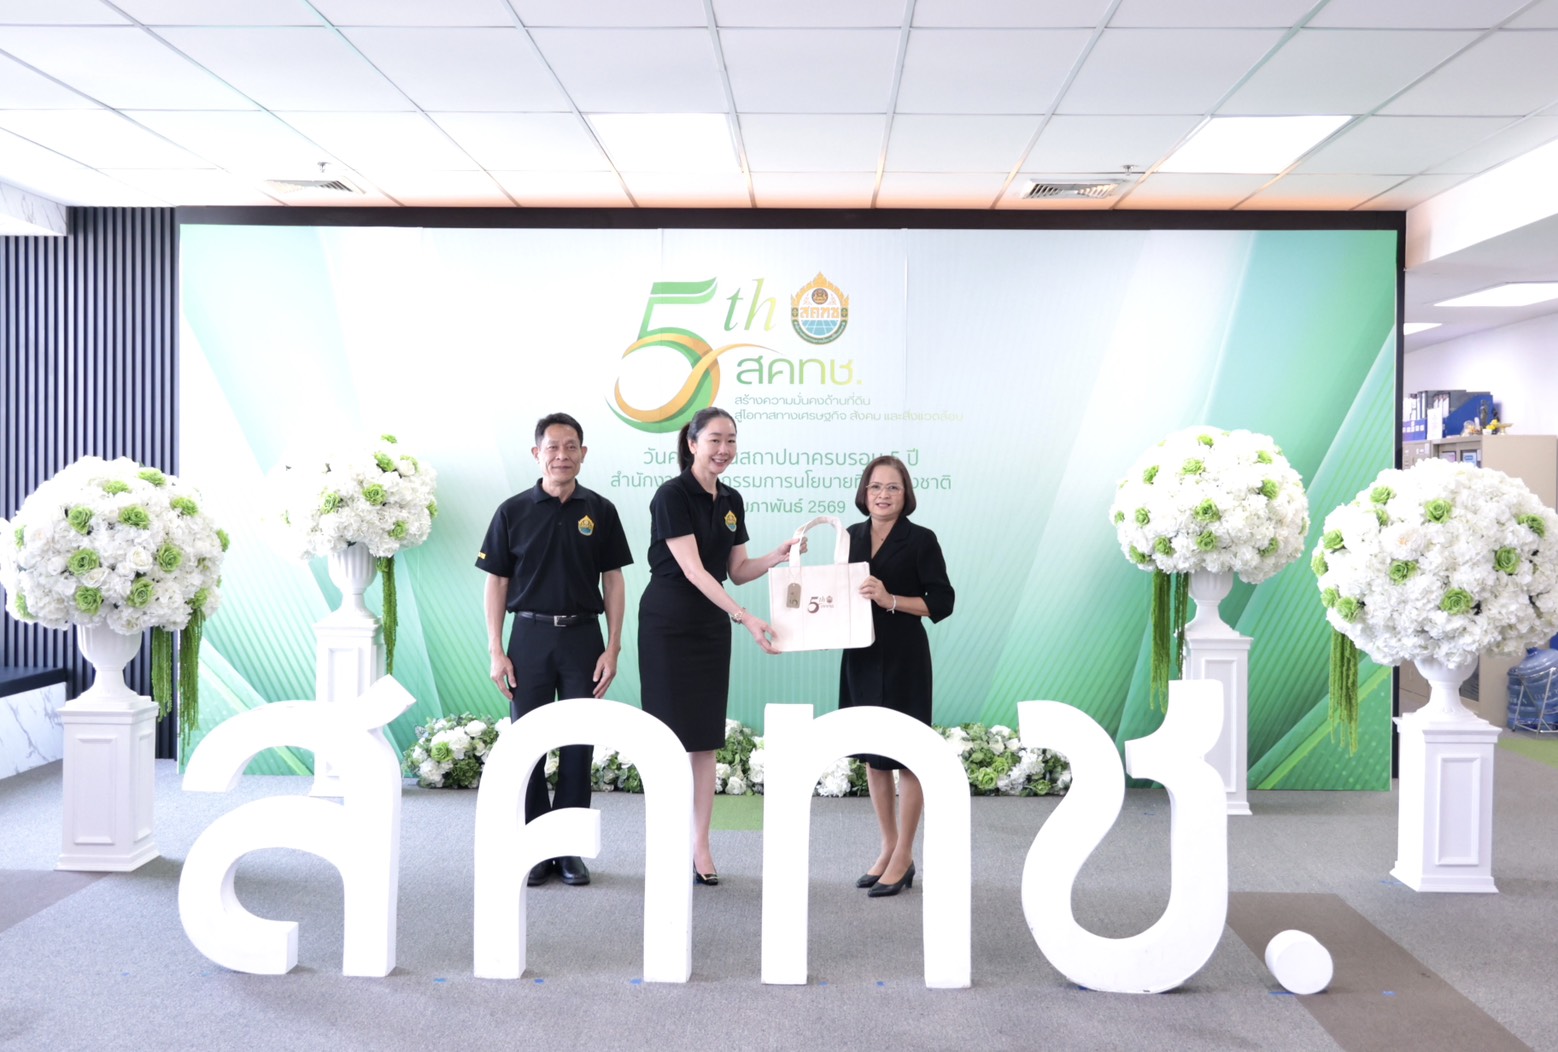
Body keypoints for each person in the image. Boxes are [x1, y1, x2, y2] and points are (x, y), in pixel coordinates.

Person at [638, 406, 801, 886]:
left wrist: (776, 556)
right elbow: (693, 571)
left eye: (731, 440)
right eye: (714, 440)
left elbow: (737, 570)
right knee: (668, 737)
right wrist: (745, 616)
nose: (724, 449)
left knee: (704, 739)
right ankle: (667, 840)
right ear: (692, 443)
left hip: (711, 627)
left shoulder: (732, 499)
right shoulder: (671, 495)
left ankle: (701, 846)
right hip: (668, 624)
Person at [477, 412, 632, 888]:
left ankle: (569, 850)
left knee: (578, 744)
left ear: (583, 453)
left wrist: (613, 647)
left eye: (571, 447)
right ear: (536, 453)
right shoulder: (512, 511)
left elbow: (613, 580)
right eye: (552, 447)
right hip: (529, 638)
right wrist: (496, 650)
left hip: (584, 639)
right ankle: (536, 847)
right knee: (529, 744)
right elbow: (496, 583)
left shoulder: (600, 510)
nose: (561, 455)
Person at [839, 455, 955, 898]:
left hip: (905, 656)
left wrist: (890, 599)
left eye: (893, 487)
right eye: (875, 487)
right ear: (864, 493)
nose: (883, 495)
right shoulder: (850, 536)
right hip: (860, 654)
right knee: (874, 755)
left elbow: (941, 603)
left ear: (906, 495)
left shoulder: (921, 539)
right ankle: (887, 846)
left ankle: (905, 853)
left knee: (907, 755)